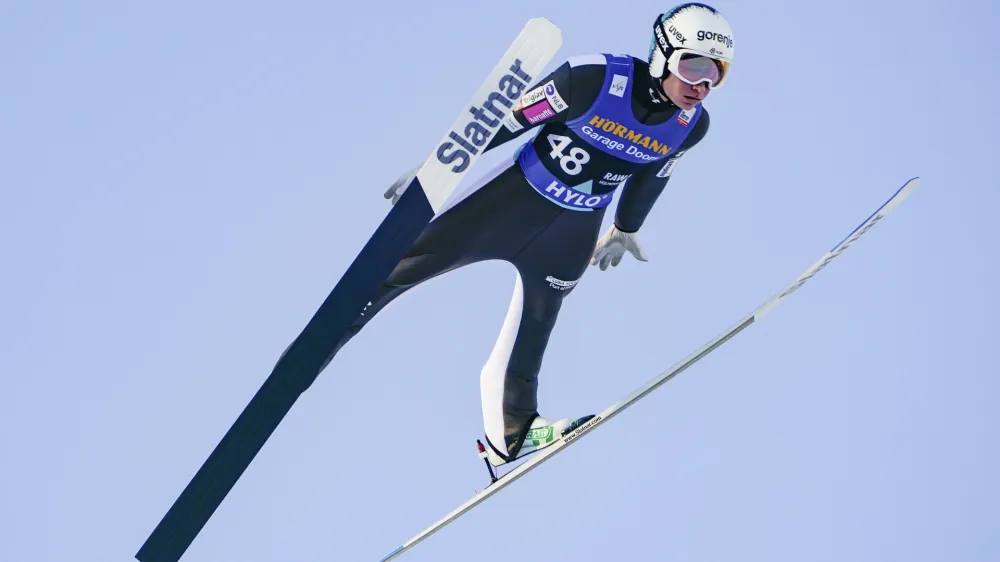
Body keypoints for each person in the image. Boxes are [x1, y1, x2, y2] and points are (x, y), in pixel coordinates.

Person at [335, 3, 735, 467]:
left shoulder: (691, 126)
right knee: (399, 269)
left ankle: (513, 432)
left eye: (716, 74)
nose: (702, 84)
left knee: (536, 323)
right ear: (663, 54)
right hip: (509, 202)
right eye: (694, 66)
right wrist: (439, 168)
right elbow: (509, 119)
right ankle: (322, 339)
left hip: (572, 231)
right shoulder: (593, 78)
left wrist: (626, 227)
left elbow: (653, 177)